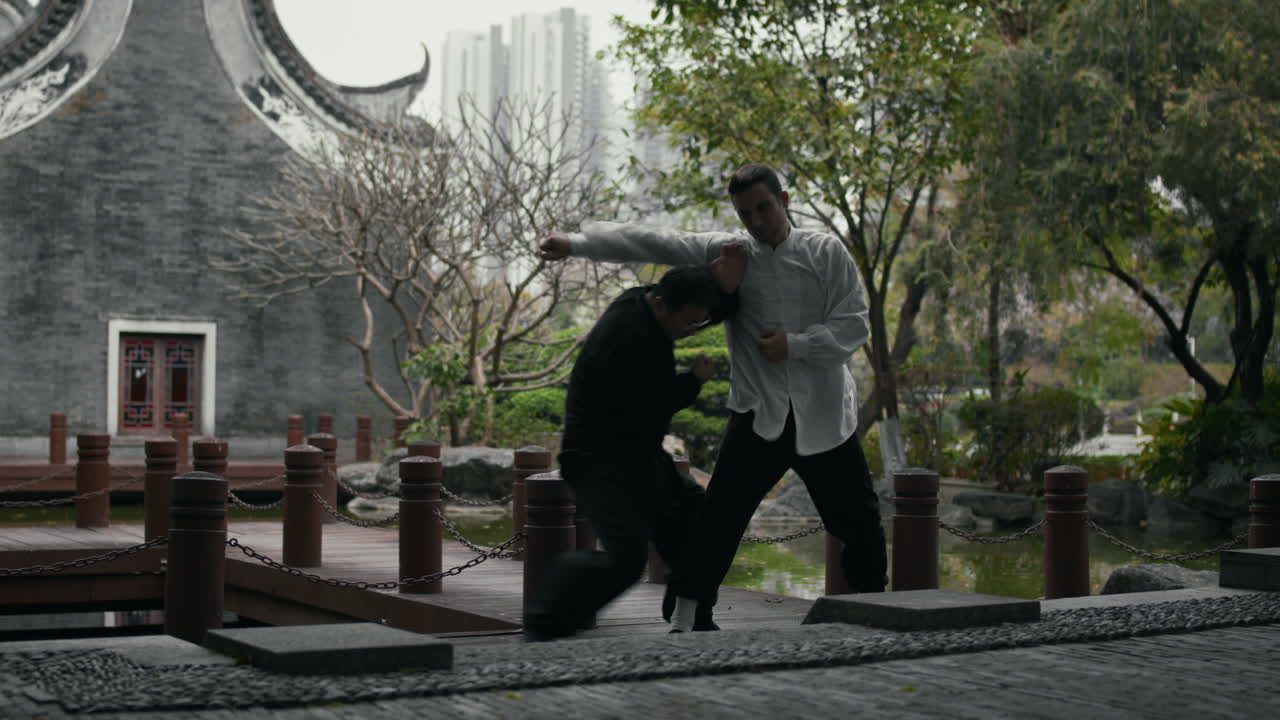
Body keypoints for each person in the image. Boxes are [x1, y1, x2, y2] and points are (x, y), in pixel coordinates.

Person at [539, 163, 888, 633]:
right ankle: (686, 621)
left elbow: (854, 326)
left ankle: (881, 617)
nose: (757, 220)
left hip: (823, 416)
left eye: (764, 207)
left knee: (861, 525)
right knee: (718, 522)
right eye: (746, 213)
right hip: (758, 415)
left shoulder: (826, 252)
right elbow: (655, 242)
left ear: (784, 201)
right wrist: (577, 245)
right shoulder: (730, 252)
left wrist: (796, 345)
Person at [523, 263, 741, 642]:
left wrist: (729, 294)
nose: (690, 333)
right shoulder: (630, 339)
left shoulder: (646, 301)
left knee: (698, 518)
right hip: (595, 460)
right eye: (687, 324)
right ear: (659, 306)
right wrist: (693, 381)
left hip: (635, 453)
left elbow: (693, 305)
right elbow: (653, 407)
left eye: (698, 324)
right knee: (624, 561)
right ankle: (544, 621)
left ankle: (692, 616)